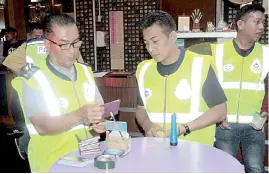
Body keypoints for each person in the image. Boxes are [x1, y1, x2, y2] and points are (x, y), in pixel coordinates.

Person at [12, 14, 105, 172]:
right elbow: (41, 125)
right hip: (51, 162)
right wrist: (79, 116)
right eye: (64, 45)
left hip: (87, 157)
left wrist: (100, 122)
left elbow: (99, 110)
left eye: (76, 43)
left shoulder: (85, 71)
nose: (72, 51)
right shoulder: (35, 78)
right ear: (47, 44)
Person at [135, 10, 227, 146]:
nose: (150, 48)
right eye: (146, 43)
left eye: (155, 41)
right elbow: (140, 110)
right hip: (157, 150)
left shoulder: (200, 65)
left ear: (172, 37)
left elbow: (220, 111)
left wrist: (182, 129)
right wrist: (147, 125)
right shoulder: (144, 70)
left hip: (195, 153)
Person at [210, 4, 268, 173]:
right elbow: (209, 87)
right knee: (225, 170)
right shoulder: (218, 52)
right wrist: (217, 114)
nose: (262, 27)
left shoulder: (266, 53)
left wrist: (265, 112)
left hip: (254, 125)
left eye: (263, 23)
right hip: (225, 125)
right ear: (240, 24)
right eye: (256, 22)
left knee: (256, 169)